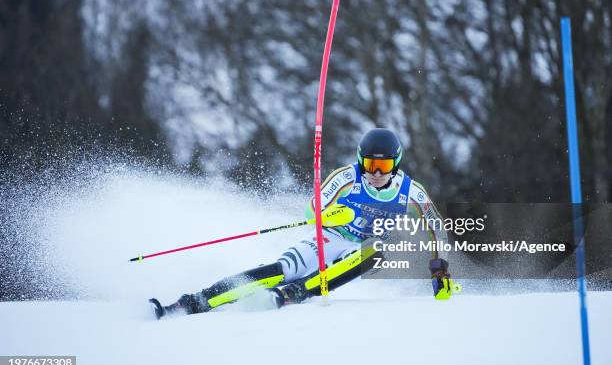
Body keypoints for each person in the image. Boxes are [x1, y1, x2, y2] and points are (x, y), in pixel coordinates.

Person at [149, 128, 455, 319]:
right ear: (361, 161)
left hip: (363, 250)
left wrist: (439, 271)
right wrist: (332, 214)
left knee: (376, 250)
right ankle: (195, 301)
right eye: (370, 165)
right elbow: (312, 210)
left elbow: (434, 230)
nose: (376, 172)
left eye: (384, 165)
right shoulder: (347, 178)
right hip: (331, 236)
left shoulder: (411, 192)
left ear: (396, 164)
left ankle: (296, 293)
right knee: (279, 270)